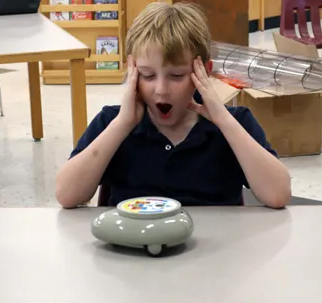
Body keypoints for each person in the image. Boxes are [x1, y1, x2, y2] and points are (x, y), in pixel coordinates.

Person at [55, 2, 291, 209]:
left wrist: (223, 120)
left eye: (176, 76)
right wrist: (122, 125)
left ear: (203, 72)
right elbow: (67, 195)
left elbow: (278, 195)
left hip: (214, 254)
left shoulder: (234, 122)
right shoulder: (112, 121)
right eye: (147, 75)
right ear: (133, 71)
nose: (161, 89)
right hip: (134, 253)